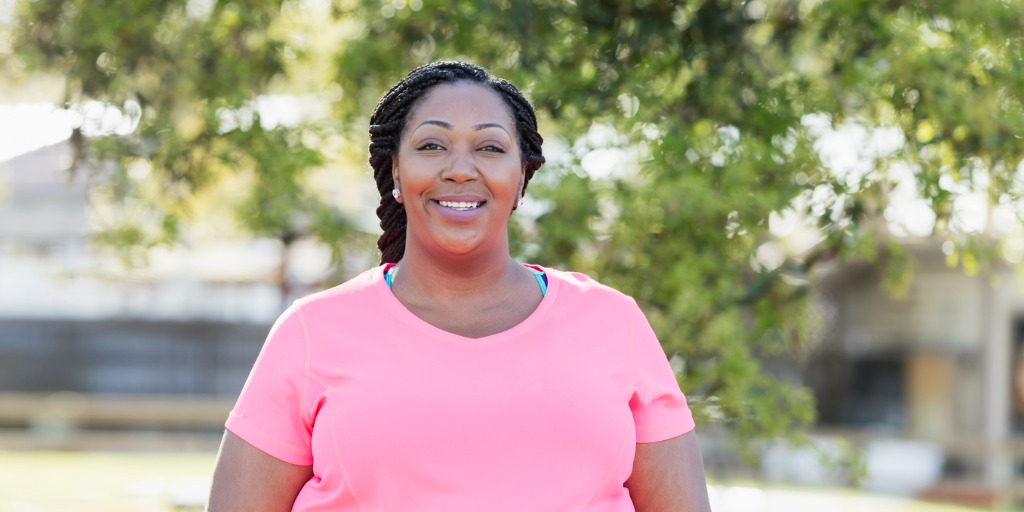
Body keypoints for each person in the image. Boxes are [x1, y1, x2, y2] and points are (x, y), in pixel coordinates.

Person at [206, 61, 712, 512]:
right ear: (396, 172)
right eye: (432, 145)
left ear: (521, 177)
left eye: (490, 148)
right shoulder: (312, 332)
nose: (461, 169)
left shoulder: (612, 323)